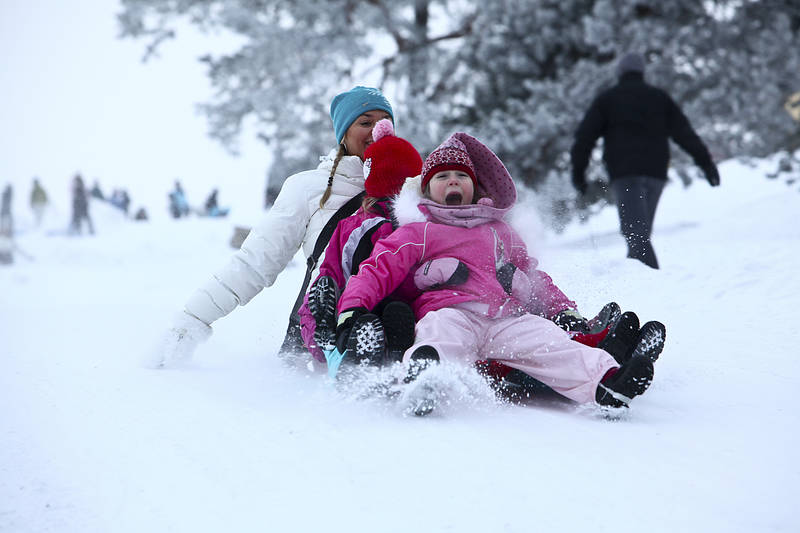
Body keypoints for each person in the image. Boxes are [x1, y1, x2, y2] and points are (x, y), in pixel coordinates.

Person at [335, 132, 656, 410]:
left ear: (475, 188)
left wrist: (562, 309)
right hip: (451, 312)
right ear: (428, 190)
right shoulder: (419, 231)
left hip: (507, 319)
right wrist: (352, 309)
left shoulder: (500, 231)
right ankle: (424, 379)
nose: (453, 182)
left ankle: (607, 381)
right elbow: (378, 268)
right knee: (439, 336)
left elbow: (533, 276)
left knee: (550, 342)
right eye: (442, 178)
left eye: (461, 177)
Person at [153, 86, 394, 368]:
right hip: (323, 333)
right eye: (365, 122)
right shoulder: (307, 189)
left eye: (384, 122)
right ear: (343, 133)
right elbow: (255, 263)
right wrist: (192, 321)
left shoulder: (413, 189)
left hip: (396, 331)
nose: (377, 131)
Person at [570, 52, 721, 269]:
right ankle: (639, 286)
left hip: (625, 174)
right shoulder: (659, 98)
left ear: (620, 72)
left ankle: (654, 284)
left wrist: (578, 173)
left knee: (636, 235)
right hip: (655, 175)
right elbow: (685, 133)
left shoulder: (608, 99)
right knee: (639, 235)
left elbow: (584, 138)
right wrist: (706, 163)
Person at [298, 118, 422, 372]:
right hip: (402, 315)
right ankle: (389, 363)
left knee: (339, 304)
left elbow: (329, 274)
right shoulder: (424, 228)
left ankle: (338, 351)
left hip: (355, 310)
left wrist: (314, 330)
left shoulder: (353, 226)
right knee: (398, 314)